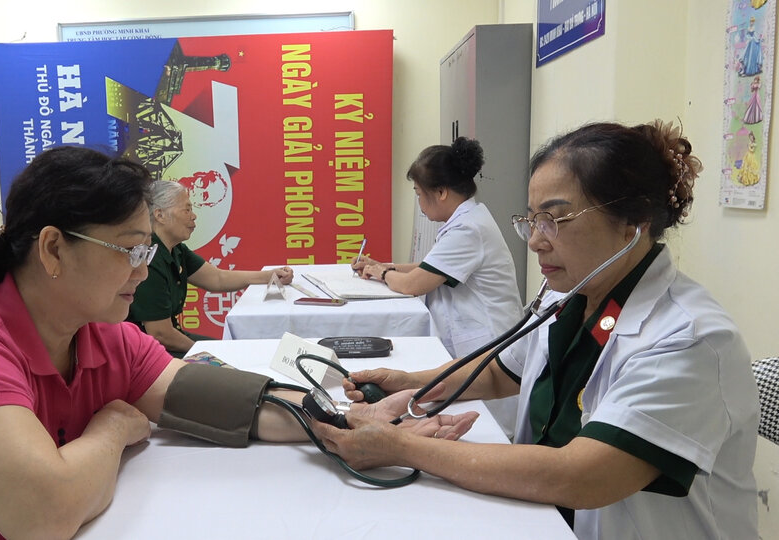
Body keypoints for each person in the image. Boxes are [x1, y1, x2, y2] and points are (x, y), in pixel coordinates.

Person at [0, 146, 465, 539]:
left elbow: (224, 399)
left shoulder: (102, 337)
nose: (145, 271)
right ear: (51, 249)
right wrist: (114, 428)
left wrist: (343, 421)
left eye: (149, 250)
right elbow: (43, 514)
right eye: (130, 250)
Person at [315, 120, 760, 539]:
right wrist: (410, 384)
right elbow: (499, 372)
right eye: (531, 219)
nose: (535, 240)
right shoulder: (568, 297)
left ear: (632, 223)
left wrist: (401, 448)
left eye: (557, 219)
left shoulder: (689, 337)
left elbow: (583, 475)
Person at [352, 137, 522, 359]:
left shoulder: (467, 229)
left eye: (419, 194)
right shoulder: (469, 219)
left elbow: (414, 284)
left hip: (488, 341)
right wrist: (383, 265)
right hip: (480, 339)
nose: (419, 202)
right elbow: (431, 269)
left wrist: (382, 273)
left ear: (441, 192)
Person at [127, 180, 293, 356]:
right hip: (150, 354)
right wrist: (206, 354)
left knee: (240, 352)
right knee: (234, 357)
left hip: (172, 342)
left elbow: (217, 278)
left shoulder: (175, 250)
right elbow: (161, 334)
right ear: (160, 215)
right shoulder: (149, 259)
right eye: (187, 209)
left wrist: (269, 275)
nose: (194, 216)